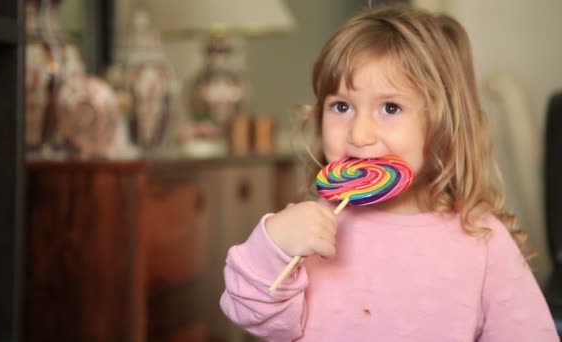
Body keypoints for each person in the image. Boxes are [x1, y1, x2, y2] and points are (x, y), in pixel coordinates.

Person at [219, 4, 559, 341]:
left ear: (442, 126)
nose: (359, 134)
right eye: (341, 106)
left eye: (390, 107)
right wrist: (272, 245)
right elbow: (252, 317)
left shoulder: (482, 239)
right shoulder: (311, 230)